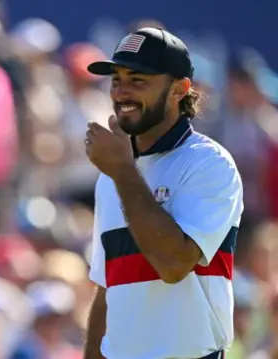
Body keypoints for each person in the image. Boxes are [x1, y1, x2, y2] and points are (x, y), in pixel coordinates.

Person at [83, 28, 243, 359]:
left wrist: (123, 171)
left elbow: (173, 265)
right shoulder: (112, 173)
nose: (121, 92)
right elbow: (106, 292)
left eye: (137, 80)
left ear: (180, 89)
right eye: (116, 80)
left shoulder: (210, 164)